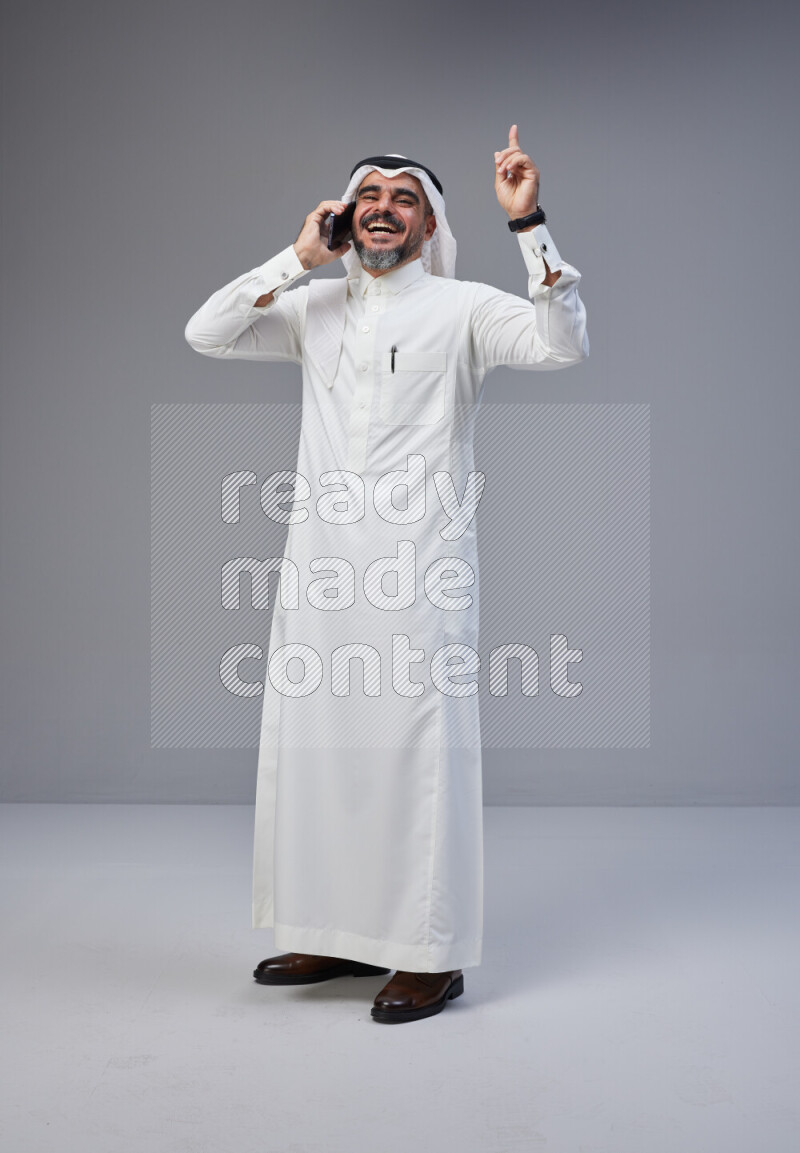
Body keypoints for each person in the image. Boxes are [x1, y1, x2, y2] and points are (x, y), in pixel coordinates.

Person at [184, 125, 589, 1025]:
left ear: (429, 223)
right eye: (370, 194)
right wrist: (295, 257)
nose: (383, 208)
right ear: (344, 214)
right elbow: (205, 331)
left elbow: (561, 345)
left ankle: (430, 955)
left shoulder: (464, 308)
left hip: (419, 570)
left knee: (417, 756)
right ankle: (329, 928)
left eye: (405, 199)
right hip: (322, 570)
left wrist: (532, 226)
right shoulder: (312, 306)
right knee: (318, 749)